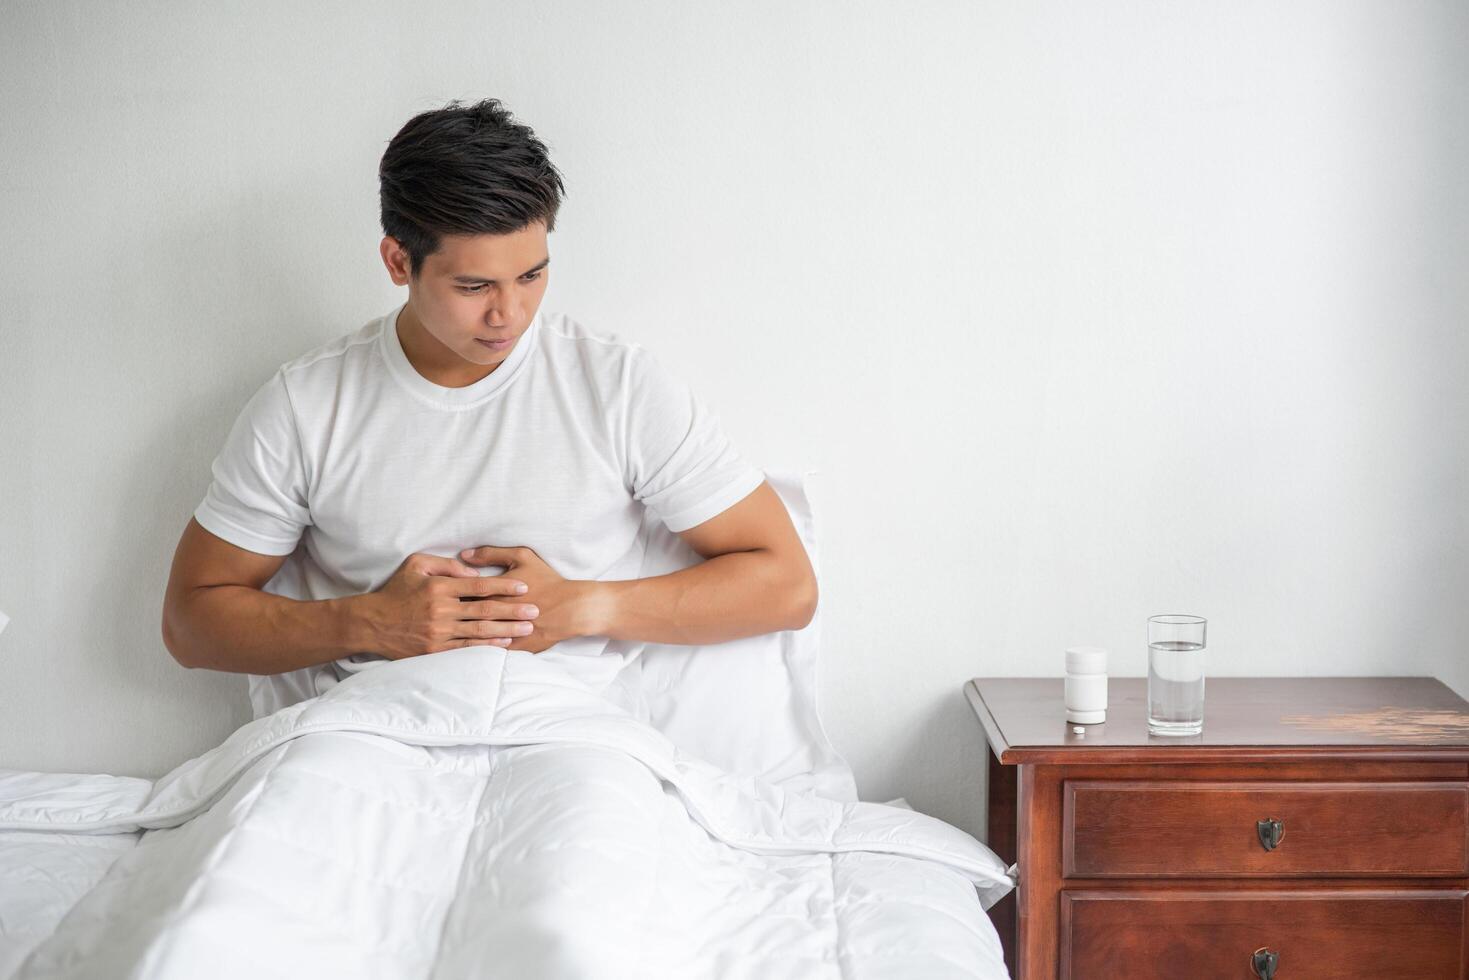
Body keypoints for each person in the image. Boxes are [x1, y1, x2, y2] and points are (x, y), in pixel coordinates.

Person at [160, 98, 817, 719]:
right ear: (397, 261)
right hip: (373, 728)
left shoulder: (617, 386)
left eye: (530, 276)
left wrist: (578, 609)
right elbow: (191, 623)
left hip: (568, 730)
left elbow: (786, 586)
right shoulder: (306, 404)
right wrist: (370, 622)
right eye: (473, 286)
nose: (510, 314)